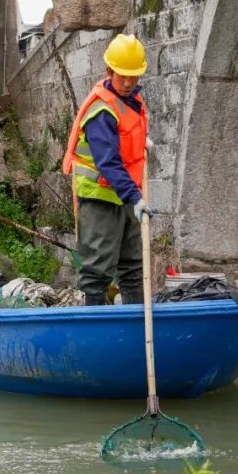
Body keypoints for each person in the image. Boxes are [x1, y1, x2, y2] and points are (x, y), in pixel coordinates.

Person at [62, 34, 152, 306]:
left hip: (125, 194)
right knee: (98, 269)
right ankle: (94, 324)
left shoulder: (131, 101)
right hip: (101, 195)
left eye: (133, 77)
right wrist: (135, 198)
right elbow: (107, 161)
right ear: (109, 71)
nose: (127, 83)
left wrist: (141, 142)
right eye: (122, 75)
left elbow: (125, 140)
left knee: (133, 266)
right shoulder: (101, 109)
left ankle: (138, 323)